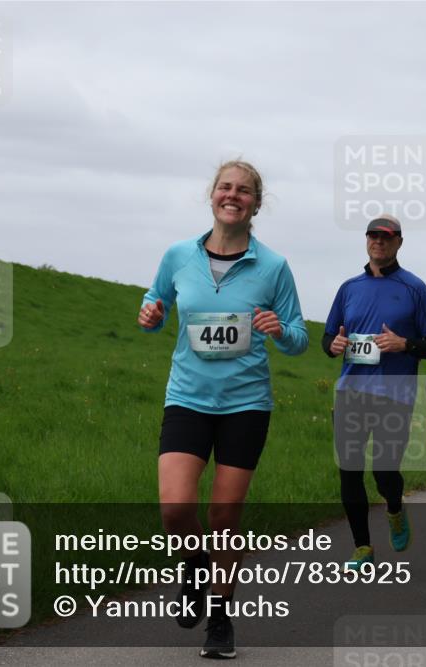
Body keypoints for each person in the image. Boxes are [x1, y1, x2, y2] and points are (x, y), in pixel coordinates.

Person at [138, 160, 308, 659]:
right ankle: (194, 567)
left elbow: (299, 338)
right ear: (212, 195)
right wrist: (151, 314)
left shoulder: (273, 267)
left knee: (224, 517)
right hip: (187, 398)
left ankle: (220, 614)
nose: (232, 196)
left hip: (245, 405)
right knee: (175, 509)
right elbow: (156, 303)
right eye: (225, 187)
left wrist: (280, 331)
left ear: (257, 203)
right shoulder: (178, 255)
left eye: (244, 191)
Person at [324, 215, 426, 569]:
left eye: (387, 237)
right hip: (350, 392)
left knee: (384, 471)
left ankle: (394, 507)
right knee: (349, 470)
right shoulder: (349, 288)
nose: (379, 241)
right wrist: (334, 344)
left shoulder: (414, 288)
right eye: (373, 235)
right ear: (366, 240)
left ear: (399, 243)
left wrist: (404, 343)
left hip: (395, 394)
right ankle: (362, 547)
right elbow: (328, 337)